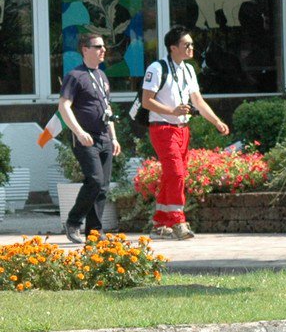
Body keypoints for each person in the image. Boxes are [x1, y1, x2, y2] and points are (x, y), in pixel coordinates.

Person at [141, 25, 229, 239]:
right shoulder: (157, 68)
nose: (191, 48)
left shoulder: (188, 70)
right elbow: (146, 101)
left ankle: (159, 223)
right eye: (186, 44)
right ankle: (178, 222)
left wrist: (216, 121)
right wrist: (172, 111)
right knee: (176, 174)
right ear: (173, 48)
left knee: (171, 175)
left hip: (182, 129)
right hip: (162, 128)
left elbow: (197, 101)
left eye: (191, 44)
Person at [57, 31, 121, 245]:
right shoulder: (75, 76)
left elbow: (107, 108)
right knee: (93, 180)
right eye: (98, 46)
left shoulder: (101, 76)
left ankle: (95, 232)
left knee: (102, 186)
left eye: (103, 47)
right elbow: (64, 106)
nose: (103, 50)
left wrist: (114, 137)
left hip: (104, 136)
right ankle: (73, 222)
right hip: (85, 138)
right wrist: (79, 132)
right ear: (85, 49)